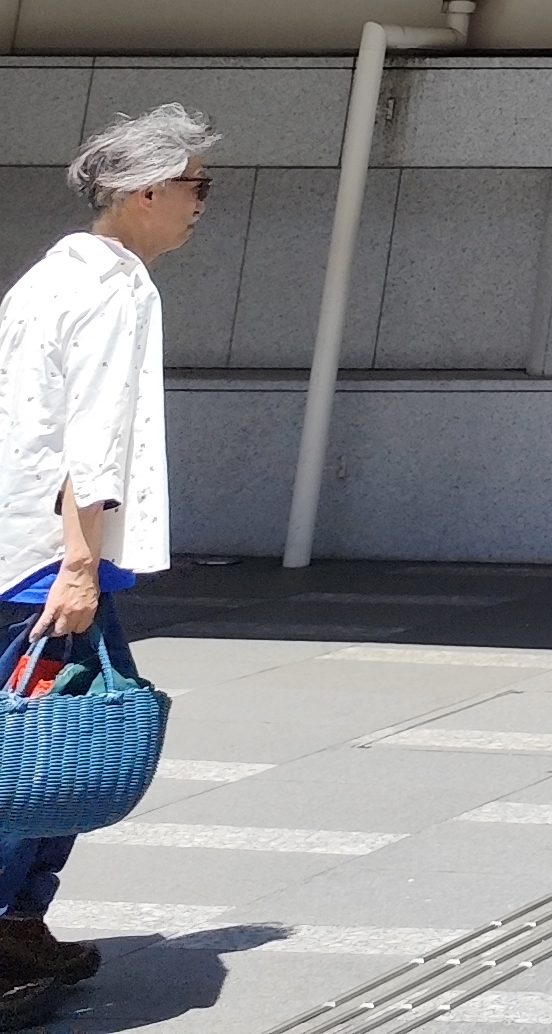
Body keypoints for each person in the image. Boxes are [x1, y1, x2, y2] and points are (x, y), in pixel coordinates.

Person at [0, 105, 214, 999]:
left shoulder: (49, 276)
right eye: (197, 186)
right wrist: (81, 566)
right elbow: (91, 438)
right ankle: (7, 935)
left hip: (22, 544)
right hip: (50, 557)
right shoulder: (115, 286)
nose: (203, 203)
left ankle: (19, 926)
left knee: (42, 743)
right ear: (145, 192)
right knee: (43, 749)